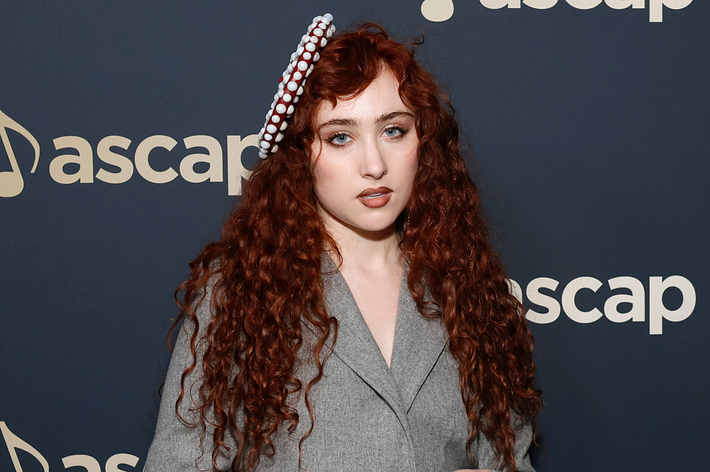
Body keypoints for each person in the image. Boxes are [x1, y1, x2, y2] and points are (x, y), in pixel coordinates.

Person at [143, 14, 542, 472]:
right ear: (300, 156)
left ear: (423, 141)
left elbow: (509, 459)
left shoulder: (467, 288)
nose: (374, 164)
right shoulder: (240, 291)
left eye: (394, 130)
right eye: (340, 137)